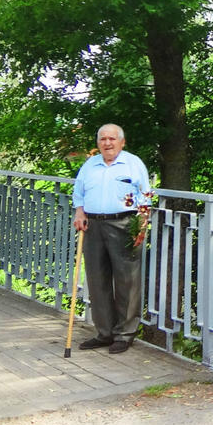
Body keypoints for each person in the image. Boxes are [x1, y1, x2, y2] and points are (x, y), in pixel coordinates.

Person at [72, 124, 151, 354]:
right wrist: (80, 211)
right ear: (98, 143)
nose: (107, 143)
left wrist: (142, 225)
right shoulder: (90, 165)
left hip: (124, 223)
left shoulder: (133, 164)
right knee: (97, 279)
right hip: (93, 225)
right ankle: (104, 333)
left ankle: (124, 334)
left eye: (112, 139)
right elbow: (79, 193)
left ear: (122, 142)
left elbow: (145, 196)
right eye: (103, 139)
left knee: (127, 279)